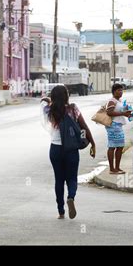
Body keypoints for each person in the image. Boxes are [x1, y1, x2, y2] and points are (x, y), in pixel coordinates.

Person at [40, 85, 96, 219]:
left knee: (59, 180)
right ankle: (71, 197)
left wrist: (48, 100)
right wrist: (92, 143)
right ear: (67, 96)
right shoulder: (73, 109)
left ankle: (61, 211)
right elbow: (84, 126)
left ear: (53, 97)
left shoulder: (49, 110)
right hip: (71, 149)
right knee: (71, 178)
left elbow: (42, 101)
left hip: (55, 149)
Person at [105, 84, 132, 174]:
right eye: (118, 90)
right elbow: (109, 112)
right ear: (114, 91)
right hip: (113, 125)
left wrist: (128, 113)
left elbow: (121, 111)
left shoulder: (119, 100)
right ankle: (112, 169)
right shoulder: (112, 101)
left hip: (119, 125)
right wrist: (123, 113)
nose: (120, 92)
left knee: (120, 146)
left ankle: (117, 167)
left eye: (121, 90)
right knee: (112, 146)